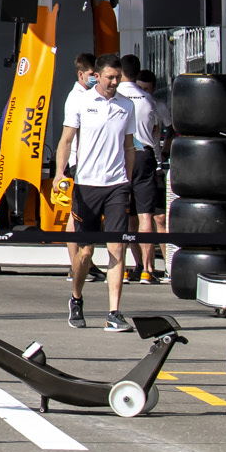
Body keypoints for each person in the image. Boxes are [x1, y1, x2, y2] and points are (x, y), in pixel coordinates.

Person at [61, 51, 139, 330]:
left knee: (118, 246)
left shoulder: (126, 106)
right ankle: (76, 297)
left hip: (116, 185)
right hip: (86, 185)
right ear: (97, 75)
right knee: (85, 253)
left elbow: (129, 146)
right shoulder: (81, 102)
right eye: (110, 77)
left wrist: (127, 180)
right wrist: (60, 174)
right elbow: (66, 140)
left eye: (118, 77)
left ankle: (114, 313)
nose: (115, 82)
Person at [117, 54, 167, 284]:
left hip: (122, 156)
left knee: (126, 214)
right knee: (146, 214)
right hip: (146, 157)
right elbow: (156, 131)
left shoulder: (115, 98)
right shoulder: (149, 100)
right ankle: (148, 269)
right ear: (137, 73)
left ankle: (128, 265)